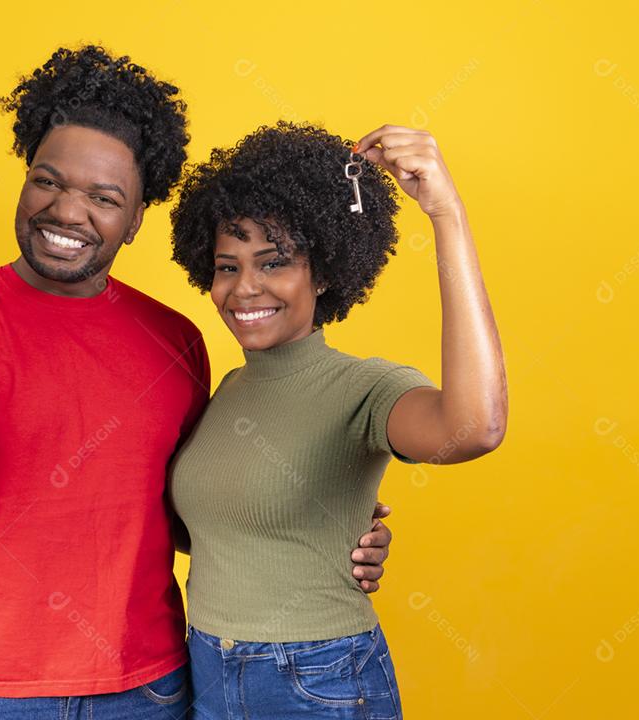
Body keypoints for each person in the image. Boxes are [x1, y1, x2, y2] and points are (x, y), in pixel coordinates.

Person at [0, 48, 396, 719]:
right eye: (48, 181)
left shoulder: (175, 341)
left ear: (137, 219)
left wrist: (329, 532)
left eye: (104, 198)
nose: (68, 211)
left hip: (157, 690)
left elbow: (183, 511)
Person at [167, 121, 507, 718]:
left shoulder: (365, 387)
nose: (245, 288)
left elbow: (475, 427)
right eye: (227, 266)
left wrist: (447, 216)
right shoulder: (228, 389)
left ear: (322, 273)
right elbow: (221, 533)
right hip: (207, 670)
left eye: (274, 262)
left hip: (316, 679)